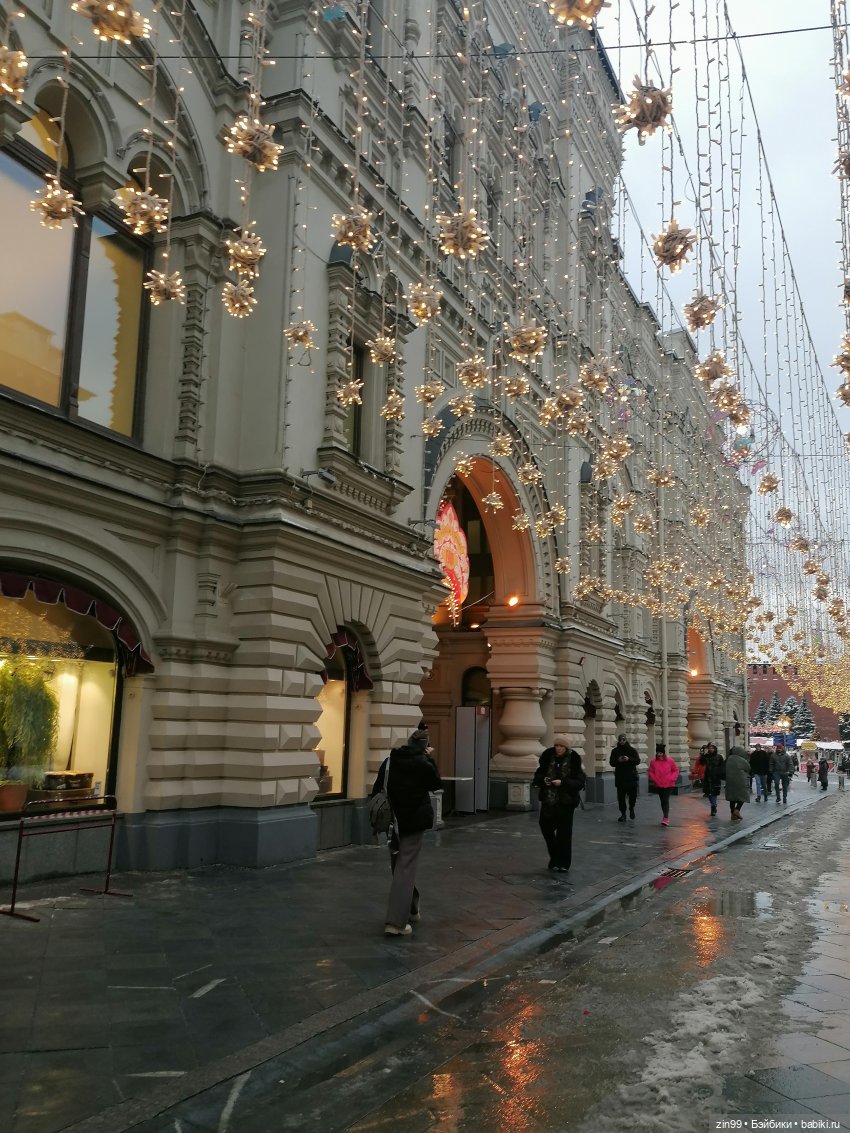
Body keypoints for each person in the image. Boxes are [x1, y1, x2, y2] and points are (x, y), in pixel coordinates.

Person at [371, 729, 442, 936]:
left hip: (392, 821)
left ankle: (411, 906)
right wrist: (430, 759)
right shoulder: (423, 764)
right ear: (424, 746)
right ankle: (396, 922)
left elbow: (377, 789)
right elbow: (436, 784)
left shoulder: (390, 761)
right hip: (413, 822)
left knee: (400, 865)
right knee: (406, 866)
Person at [532, 734, 586, 873]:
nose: (558, 748)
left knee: (564, 834)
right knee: (545, 828)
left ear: (566, 747)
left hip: (565, 802)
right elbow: (537, 776)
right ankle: (555, 856)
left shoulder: (573, 760)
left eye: (561, 746)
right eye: (556, 745)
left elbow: (579, 782)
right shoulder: (548, 757)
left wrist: (563, 783)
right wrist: (543, 780)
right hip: (548, 800)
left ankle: (563, 864)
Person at [609, 734, 640, 822]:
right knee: (621, 798)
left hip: (631, 777)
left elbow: (638, 761)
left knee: (632, 797)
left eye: (623, 740)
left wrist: (629, 759)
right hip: (620, 778)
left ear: (626, 740)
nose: (621, 741)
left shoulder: (632, 750)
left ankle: (631, 808)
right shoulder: (615, 751)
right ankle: (623, 814)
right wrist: (618, 760)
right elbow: (611, 763)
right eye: (620, 740)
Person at [647, 743, 680, 826]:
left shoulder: (670, 761)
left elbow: (675, 770)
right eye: (658, 753)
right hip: (659, 784)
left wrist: (672, 778)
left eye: (661, 753)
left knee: (665, 800)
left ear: (664, 753)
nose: (659, 754)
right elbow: (650, 771)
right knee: (662, 800)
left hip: (668, 784)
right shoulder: (653, 762)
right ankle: (665, 816)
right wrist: (654, 779)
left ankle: (666, 818)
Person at [698, 743, 725, 817]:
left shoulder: (719, 757)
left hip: (716, 777)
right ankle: (714, 805)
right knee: (708, 793)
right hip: (708, 777)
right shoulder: (706, 756)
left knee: (714, 793)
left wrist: (721, 775)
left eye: (712, 748)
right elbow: (701, 762)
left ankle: (713, 807)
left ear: (715, 749)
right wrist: (702, 753)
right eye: (709, 748)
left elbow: (722, 767)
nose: (711, 749)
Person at [725, 746, 750, 821]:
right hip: (740, 781)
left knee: (732, 798)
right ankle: (737, 810)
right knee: (743, 796)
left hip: (730, 780)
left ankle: (733, 814)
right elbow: (748, 768)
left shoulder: (729, 759)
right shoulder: (741, 759)